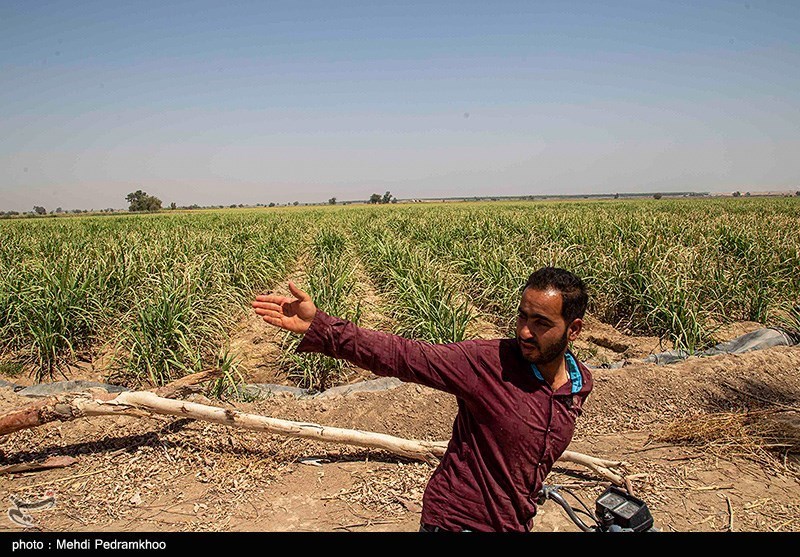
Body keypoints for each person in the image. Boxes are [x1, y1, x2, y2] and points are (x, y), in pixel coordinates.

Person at [251, 266, 592, 532]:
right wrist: (321, 327)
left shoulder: (579, 385)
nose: (524, 331)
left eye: (541, 323)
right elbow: (403, 355)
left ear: (573, 330)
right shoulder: (489, 363)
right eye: (522, 316)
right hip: (458, 521)